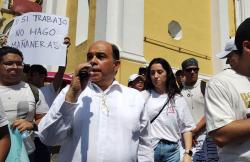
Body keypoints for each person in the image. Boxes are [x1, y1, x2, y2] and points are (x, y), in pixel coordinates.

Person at [38, 40, 153, 162]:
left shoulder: (134, 97)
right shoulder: (69, 92)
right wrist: (72, 96)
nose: (92, 61)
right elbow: (48, 138)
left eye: (100, 56)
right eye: (89, 57)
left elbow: (144, 145)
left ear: (116, 65)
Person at [205, 18, 250, 162]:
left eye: (230, 56)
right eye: (228, 57)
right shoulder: (220, 83)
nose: (228, 60)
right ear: (247, 47)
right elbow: (221, 134)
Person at [0, 46, 49, 161]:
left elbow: (46, 119)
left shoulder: (34, 91)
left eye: (19, 63)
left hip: (26, 154)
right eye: (9, 63)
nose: (15, 67)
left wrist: (32, 124)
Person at [143, 57, 195, 162]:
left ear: (167, 74)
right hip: (150, 150)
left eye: (159, 72)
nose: (155, 76)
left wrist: (187, 153)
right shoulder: (143, 96)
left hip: (172, 152)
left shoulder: (177, 98)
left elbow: (186, 128)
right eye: (152, 73)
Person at [181, 58, 218, 161]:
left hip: (207, 138)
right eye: (189, 70)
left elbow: (212, 111)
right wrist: (188, 135)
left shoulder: (206, 86)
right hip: (188, 141)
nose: (192, 72)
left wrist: (195, 130)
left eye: (195, 69)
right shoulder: (179, 92)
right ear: (183, 72)